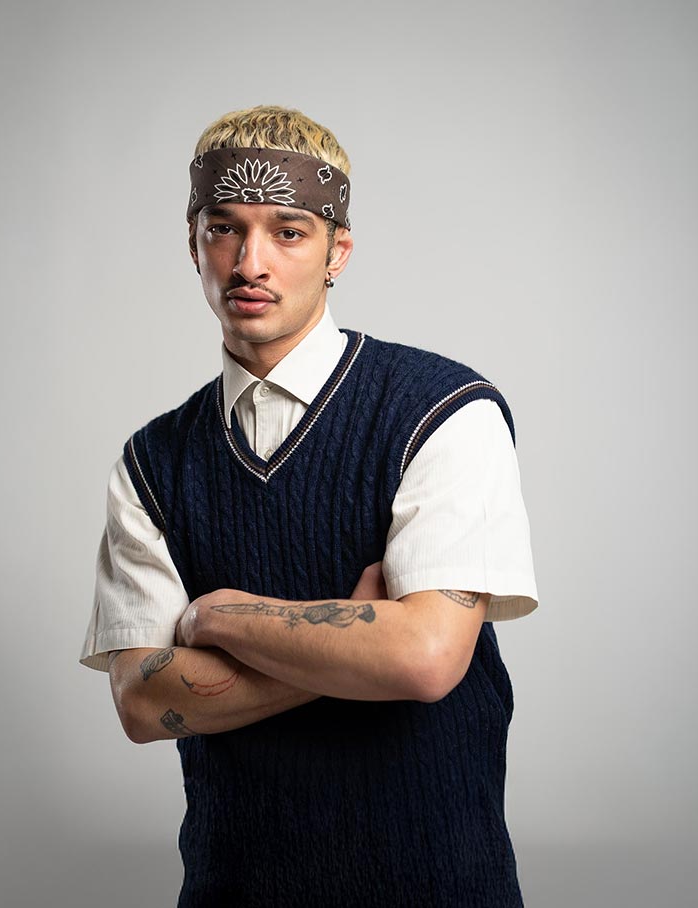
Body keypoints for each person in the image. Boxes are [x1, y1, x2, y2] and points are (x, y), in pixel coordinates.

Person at [78, 105, 540, 906]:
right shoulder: (152, 463)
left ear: (337, 252)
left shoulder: (443, 412)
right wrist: (354, 648)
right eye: (224, 229)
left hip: (436, 888)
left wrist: (222, 616)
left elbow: (424, 659)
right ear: (193, 244)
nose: (249, 262)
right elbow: (144, 702)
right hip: (236, 889)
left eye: (288, 232)